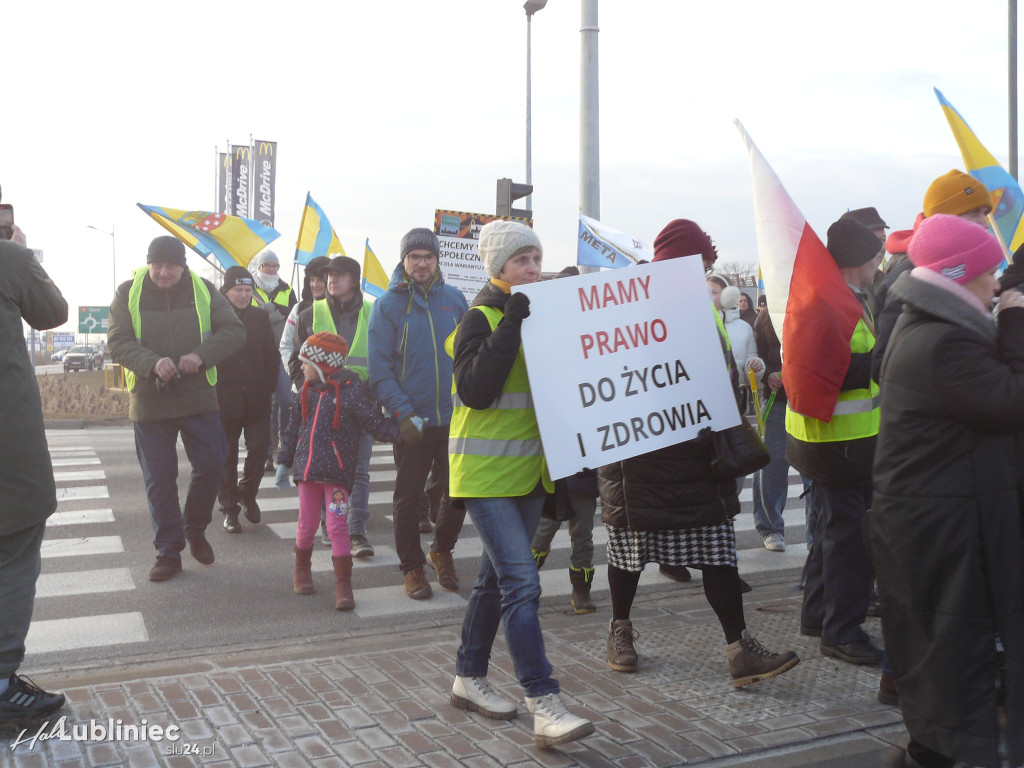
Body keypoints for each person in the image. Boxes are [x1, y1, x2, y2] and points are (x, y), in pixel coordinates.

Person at [599, 218, 798, 688]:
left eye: (709, 266)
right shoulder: (630, 304)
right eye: (702, 264)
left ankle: (739, 649)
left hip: (694, 453)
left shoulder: (698, 308)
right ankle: (619, 631)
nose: (707, 274)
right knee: (630, 549)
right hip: (640, 456)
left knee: (716, 552)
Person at [870, 214, 1024, 768]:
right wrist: (1016, 323)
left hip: (938, 524)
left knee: (952, 664)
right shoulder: (944, 344)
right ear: (961, 277)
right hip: (939, 533)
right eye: (990, 273)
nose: (997, 285)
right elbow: (1013, 399)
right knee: (951, 665)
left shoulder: (936, 327)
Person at [447, 220, 594, 748]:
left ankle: (468, 677)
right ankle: (543, 701)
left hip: (529, 475)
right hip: (485, 476)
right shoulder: (480, 317)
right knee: (522, 584)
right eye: (522, 261)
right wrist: (511, 321)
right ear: (499, 269)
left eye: (536, 258)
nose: (534, 269)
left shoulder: (543, 314)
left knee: (493, 583)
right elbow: (478, 390)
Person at [108, 236, 245, 582]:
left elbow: (234, 330)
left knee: (214, 461)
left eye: (171, 266)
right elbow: (117, 342)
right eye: (157, 265)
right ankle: (168, 552)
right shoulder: (128, 292)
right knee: (160, 479)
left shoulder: (204, 290)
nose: (163, 272)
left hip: (198, 397)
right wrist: (152, 363)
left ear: (183, 266)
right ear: (148, 263)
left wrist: (201, 355)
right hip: (149, 400)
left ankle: (194, 528)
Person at [786, 217, 883, 665]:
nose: (880, 262)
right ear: (860, 261)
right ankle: (842, 632)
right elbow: (832, 370)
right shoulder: (835, 301)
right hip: (841, 444)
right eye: (875, 255)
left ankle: (816, 615)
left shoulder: (836, 296)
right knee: (847, 539)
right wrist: (885, 364)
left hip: (828, 441)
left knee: (832, 531)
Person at [277, 332, 414, 611]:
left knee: (339, 526)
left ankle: (344, 585)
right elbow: (292, 431)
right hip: (307, 473)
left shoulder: (351, 393)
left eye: (305, 362)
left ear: (322, 365)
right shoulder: (305, 392)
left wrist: (404, 432)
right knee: (307, 523)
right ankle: (301, 570)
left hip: (337, 476)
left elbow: (375, 423)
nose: (301, 367)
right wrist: (283, 461)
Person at [368, 227, 468, 598]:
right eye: (415, 257)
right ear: (404, 261)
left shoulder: (455, 300)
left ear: (437, 259)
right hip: (412, 423)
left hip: (455, 419)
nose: (422, 263)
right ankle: (411, 567)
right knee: (408, 499)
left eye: (428, 256)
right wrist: (403, 413)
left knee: (457, 493)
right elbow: (380, 371)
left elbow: (468, 357)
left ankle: (441, 550)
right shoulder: (387, 306)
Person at [0, 222, 68, 721]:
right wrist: (19, 252)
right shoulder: (9, 259)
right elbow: (53, 313)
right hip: (8, 444)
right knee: (14, 550)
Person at [293, 256, 377, 557]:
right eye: (329, 275)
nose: (332, 280)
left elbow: (383, 359)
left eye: (339, 275)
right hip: (318, 408)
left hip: (359, 405)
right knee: (321, 472)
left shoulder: (373, 312)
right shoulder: (309, 313)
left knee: (359, 473)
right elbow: (294, 358)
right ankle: (330, 526)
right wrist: (310, 391)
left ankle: (356, 533)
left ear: (354, 280)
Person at [216, 266, 280, 533]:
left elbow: (271, 355)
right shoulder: (214, 316)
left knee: (260, 448)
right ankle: (230, 509)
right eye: (238, 290)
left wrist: (268, 386)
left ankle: (247, 493)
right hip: (224, 399)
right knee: (225, 457)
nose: (243, 295)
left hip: (256, 398)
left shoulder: (259, 317)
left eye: (247, 290)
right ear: (226, 291)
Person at [750, 307, 810, 552]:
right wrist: (768, 375)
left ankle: (816, 534)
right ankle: (771, 528)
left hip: (808, 401)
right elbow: (757, 358)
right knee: (771, 467)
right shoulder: (765, 317)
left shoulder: (813, 306)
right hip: (778, 400)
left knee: (813, 471)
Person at [248, 249, 296, 472]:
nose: (272, 270)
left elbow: (292, 316)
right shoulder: (249, 289)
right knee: (265, 405)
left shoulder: (287, 289)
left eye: (275, 266)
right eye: (267, 266)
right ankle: (267, 454)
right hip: (257, 355)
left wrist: (275, 313)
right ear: (259, 267)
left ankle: (284, 444)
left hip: (281, 353)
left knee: (286, 400)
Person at [531, 470, 599, 614]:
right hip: (552, 481)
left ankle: (581, 591)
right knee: (540, 538)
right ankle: (524, 586)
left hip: (584, 480)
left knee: (583, 537)